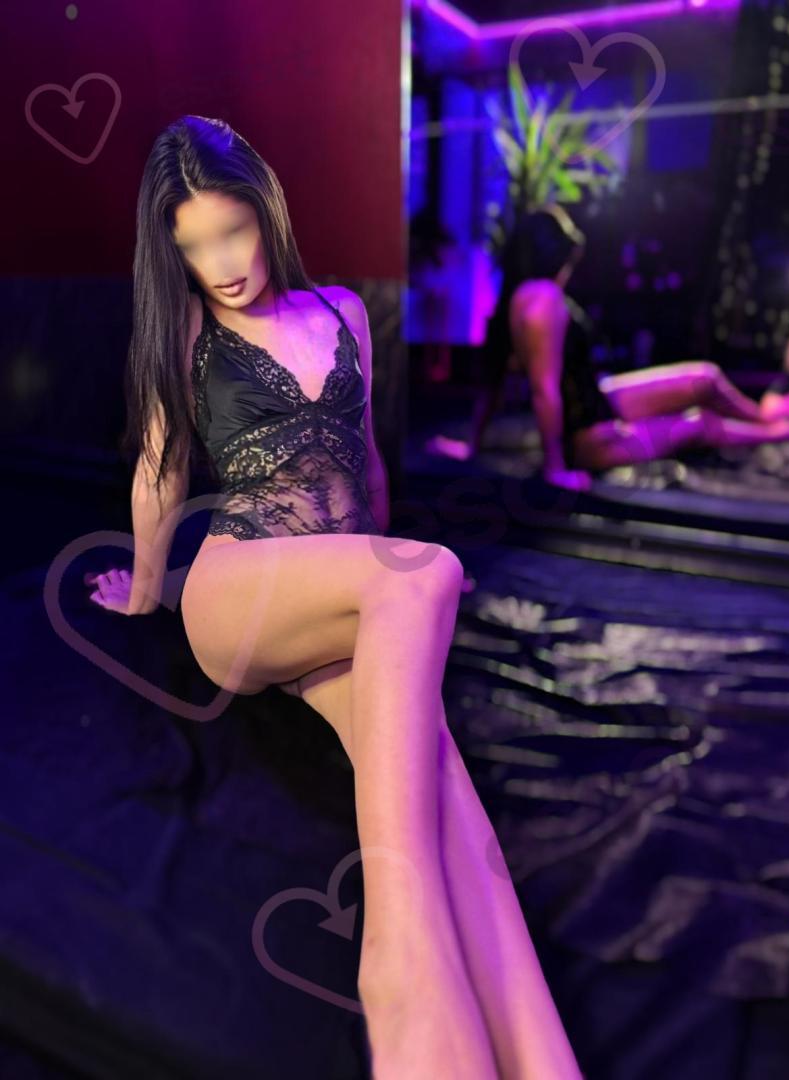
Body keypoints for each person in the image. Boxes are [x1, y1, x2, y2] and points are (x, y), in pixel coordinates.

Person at [84, 116, 584, 1079]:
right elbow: (159, 470)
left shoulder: (345, 312)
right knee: (429, 571)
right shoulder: (185, 331)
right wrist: (146, 594)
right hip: (237, 595)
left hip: (339, 601)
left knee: (447, 789)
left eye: (233, 232)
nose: (222, 264)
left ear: (265, 209)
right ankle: (397, 957)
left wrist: (381, 586)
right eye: (195, 247)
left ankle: (539, 1059)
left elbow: (367, 467)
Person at [428, 205, 789, 491]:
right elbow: (545, 391)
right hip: (590, 439)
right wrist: (556, 470)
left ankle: (768, 419)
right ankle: (785, 431)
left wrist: (472, 446)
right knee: (700, 424)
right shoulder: (542, 298)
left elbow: (493, 384)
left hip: (597, 404)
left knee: (703, 379)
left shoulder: (520, 296)